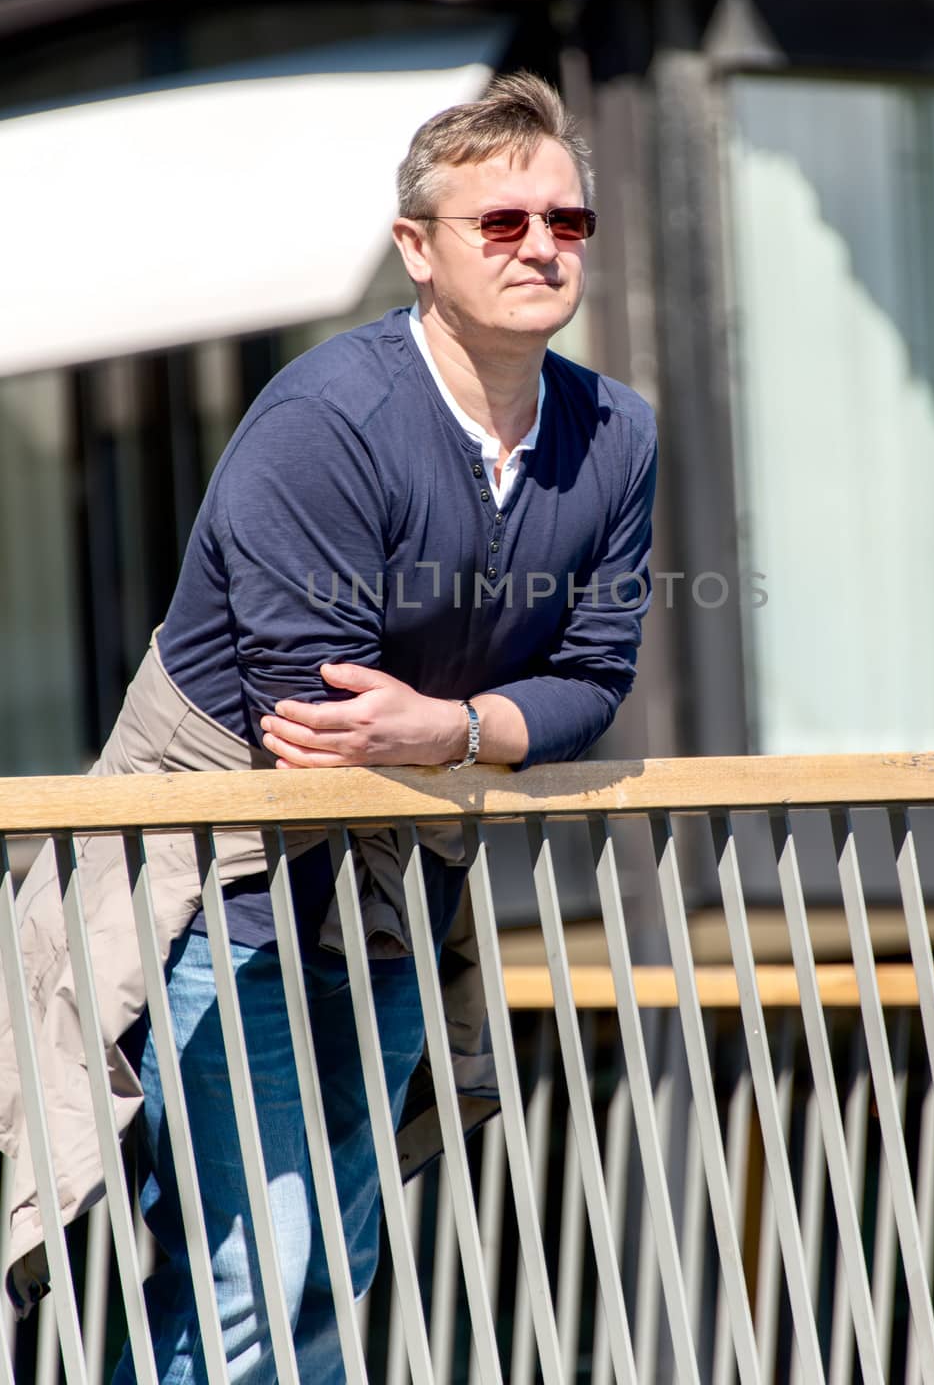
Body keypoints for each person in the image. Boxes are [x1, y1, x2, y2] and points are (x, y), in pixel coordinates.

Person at [1, 72, 657, 1383]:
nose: (542, 247)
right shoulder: (326, 421)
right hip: (220, 900)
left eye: (566, 222)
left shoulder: (616, 433)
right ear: (418, 249)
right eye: (503, 223)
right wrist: (475, 732)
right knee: (262, 1270)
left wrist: (452, 724)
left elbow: (594, 681)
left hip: (392, 901)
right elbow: (319, 722)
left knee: (323, 1278)